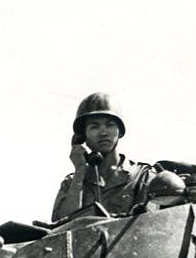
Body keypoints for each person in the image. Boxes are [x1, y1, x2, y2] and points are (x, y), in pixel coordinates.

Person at [51, 93, 159, 221]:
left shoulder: (142, 176)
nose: (103, 132)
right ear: (83, 136)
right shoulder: (71, 183)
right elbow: (61, 227)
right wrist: (80, 171)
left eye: (110, 125)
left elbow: (150, 224)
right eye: (94, 127)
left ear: (120, 131)